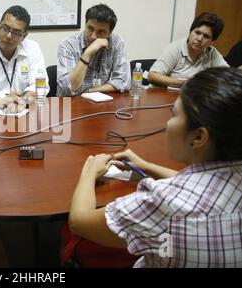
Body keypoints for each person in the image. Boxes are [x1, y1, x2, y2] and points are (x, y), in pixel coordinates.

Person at [68, 67, 242, 267]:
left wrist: (90, 172)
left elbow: (79, 222)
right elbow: (203, 187)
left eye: (174, 114)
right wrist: (146, 166)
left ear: (198, 137)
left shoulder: (165, 201)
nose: (167, 123)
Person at [56, 3, 131, 96]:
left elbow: (124, 82)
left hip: (102, 102)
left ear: (109, 33)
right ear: (85, 24)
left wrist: (89, 91)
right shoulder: (68, 45)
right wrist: (87, 54)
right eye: (90, 29)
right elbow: (66, 90)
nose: (93, 36)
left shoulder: (116, 42)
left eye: (101, 32)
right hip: (72, 104)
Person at [149, 12, 229, 88]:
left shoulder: (212, 53)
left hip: (190, 98)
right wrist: (183, 83)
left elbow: (229, 76)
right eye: (197, 33)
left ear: (212, 41)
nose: (200, 39)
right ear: (190, 32)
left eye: (206, 36)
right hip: (163, 97)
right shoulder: (176, 48)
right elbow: (153, 75)